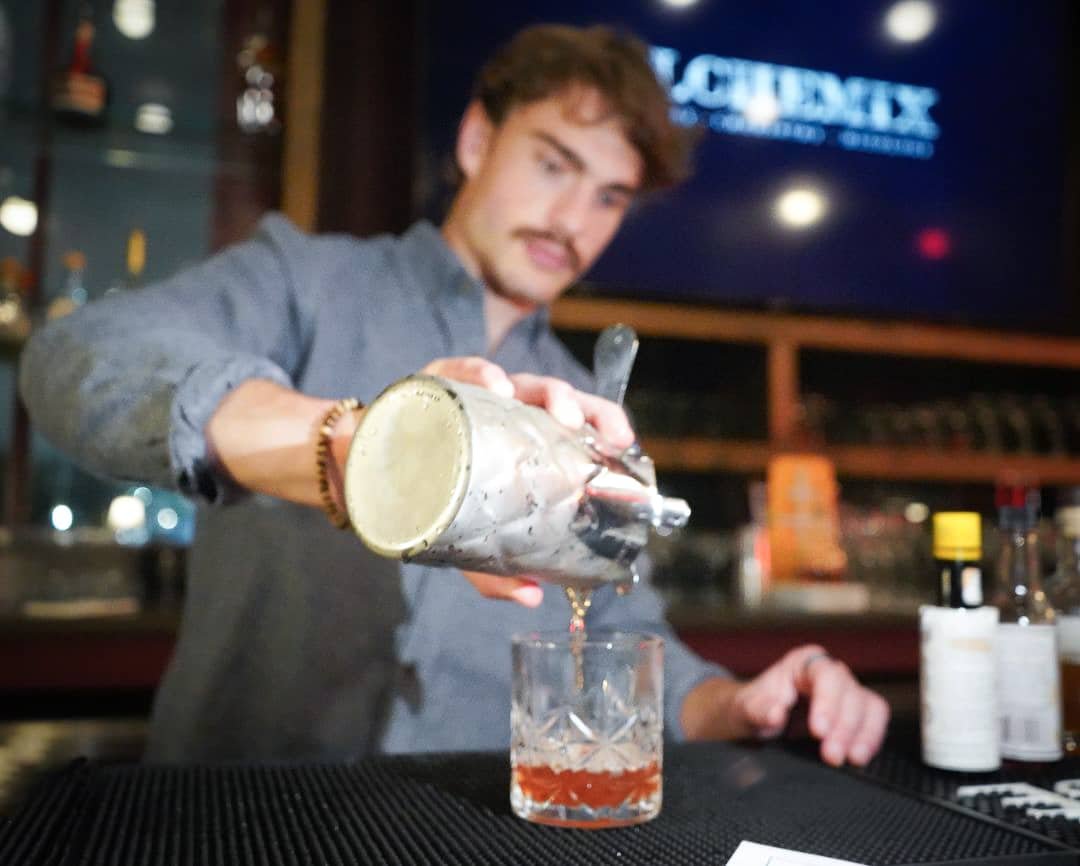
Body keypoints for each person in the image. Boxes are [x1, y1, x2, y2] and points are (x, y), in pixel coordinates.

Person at [20, 23, 889, 766]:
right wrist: (361, 449)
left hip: (468, 827)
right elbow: (81, 358)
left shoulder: (587, 407)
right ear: (477, 141)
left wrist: (745, 706)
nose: (571, 218)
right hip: (241, 813)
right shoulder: (310, 281)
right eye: (553, 164)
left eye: (609, 196)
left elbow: (631, 642)